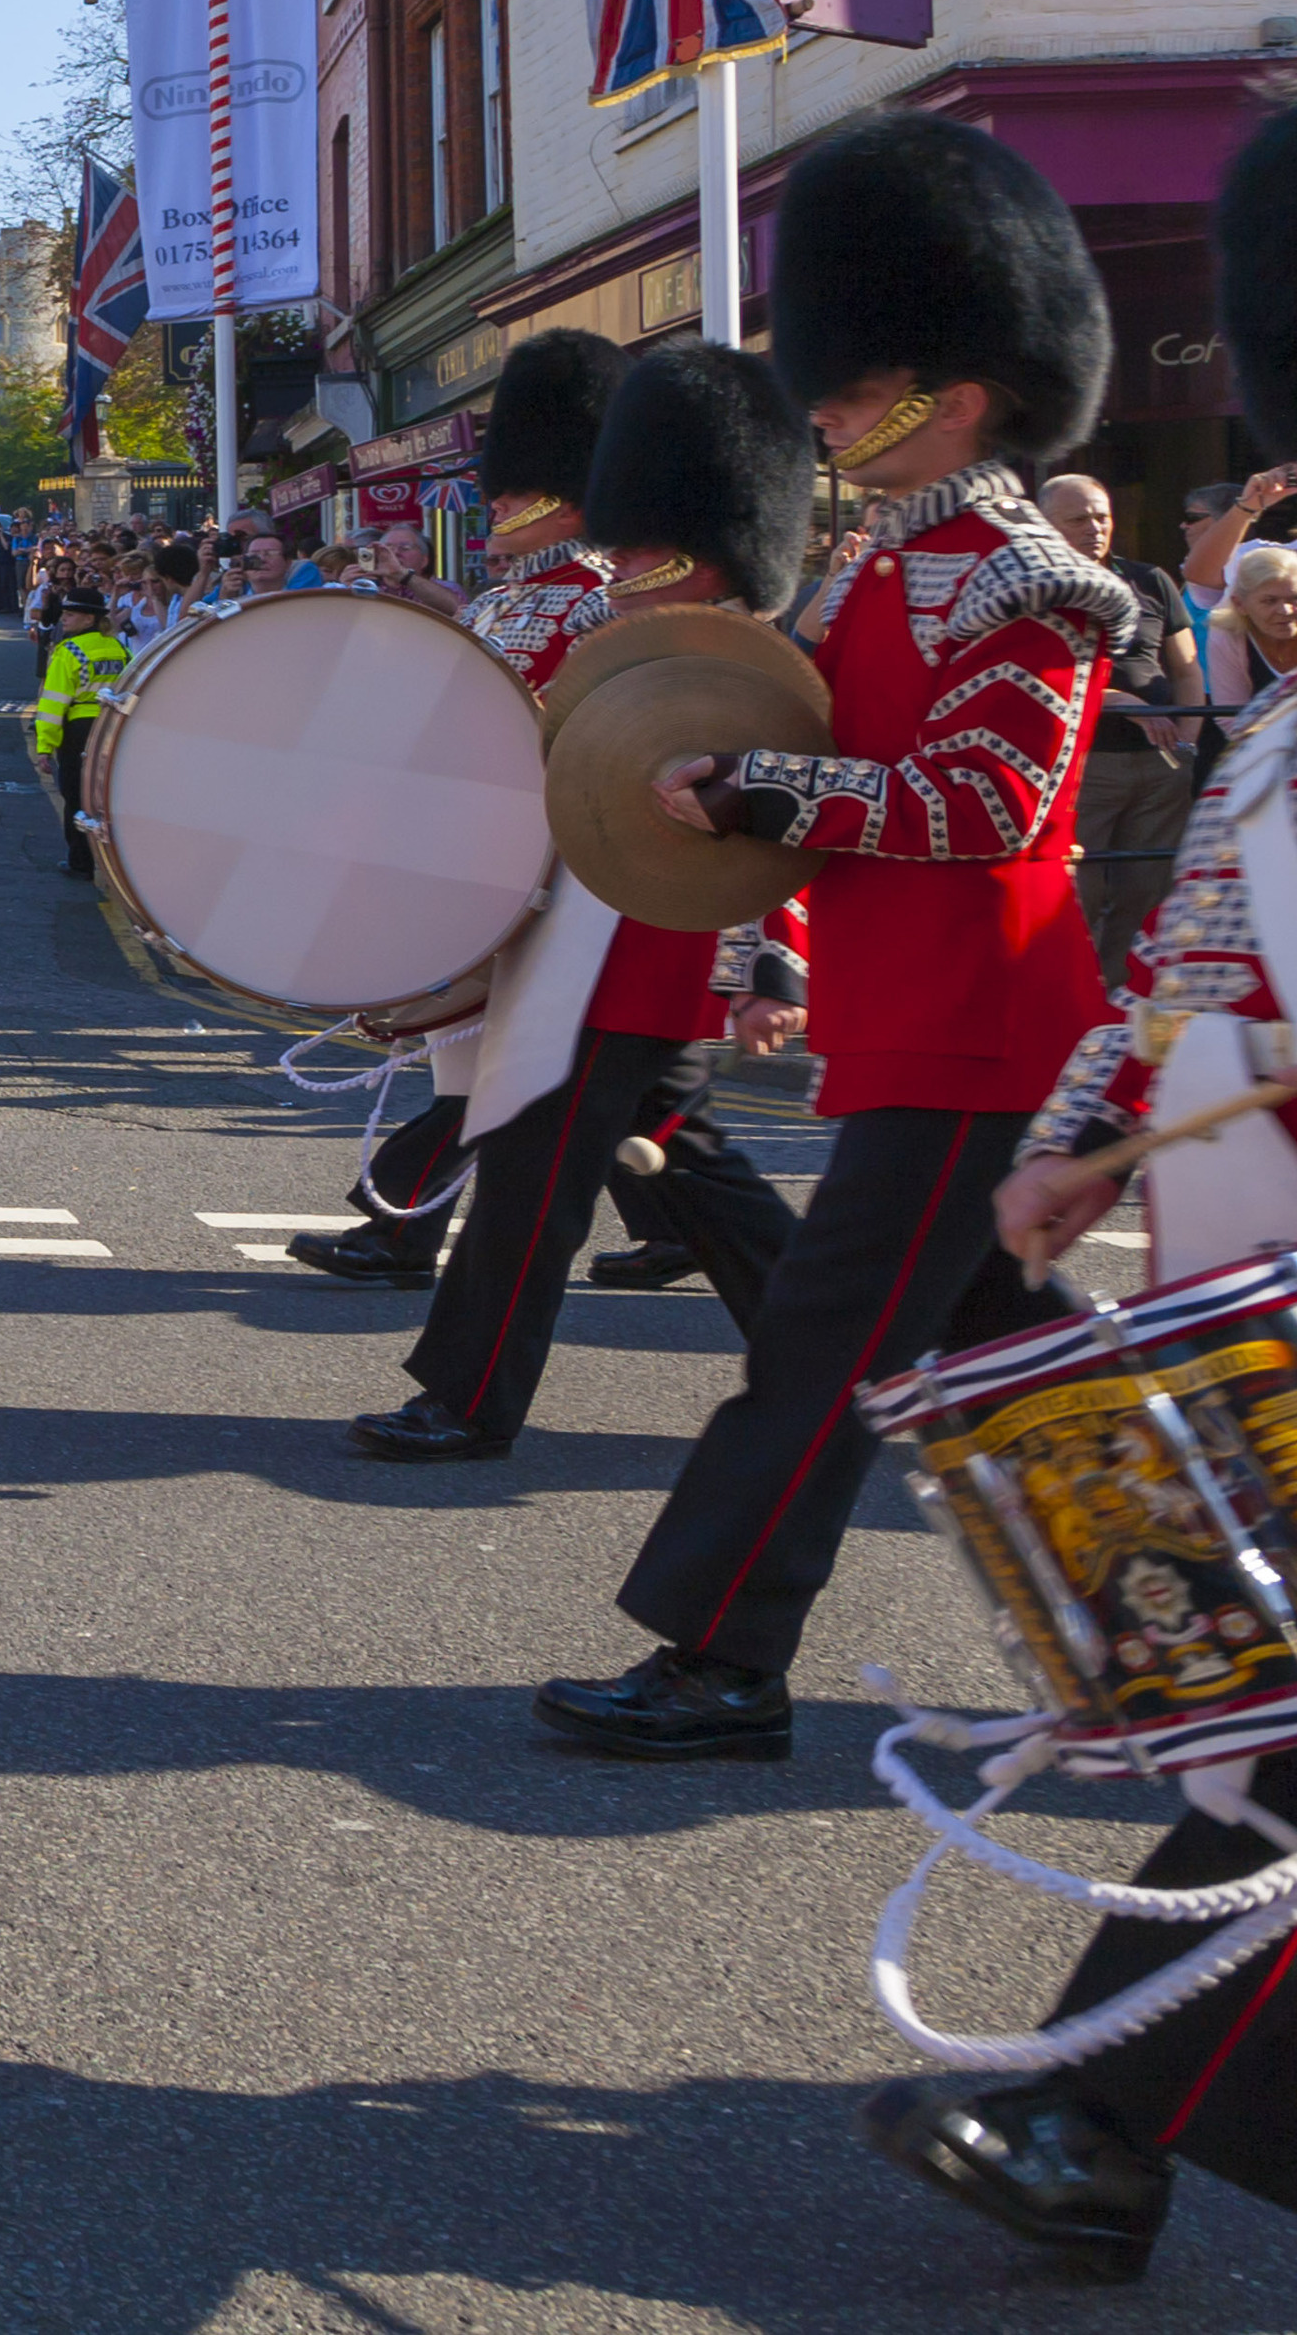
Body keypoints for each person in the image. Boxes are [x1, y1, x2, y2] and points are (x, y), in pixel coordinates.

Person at [540, 114, 1122, 1761]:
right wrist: (774, 930)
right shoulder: (900, 566)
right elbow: (851, 768)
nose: (832, 412)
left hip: (978, 1028)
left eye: (862, 390)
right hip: (917, 1015)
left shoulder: (1022, 577)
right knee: (1007, 1356)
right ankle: (1204, 1631)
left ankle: (725, 1659)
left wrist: (760, 791)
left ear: (966, 384)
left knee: (818, 1356)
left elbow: (987, 804)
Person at [901, 108, 1297, 2279]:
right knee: (1252, 1743)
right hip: (1236, 1272)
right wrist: (1073, 1135)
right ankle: (1096, 2122)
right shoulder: (1274, 727)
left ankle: (1093, 2117)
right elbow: (1188, 954)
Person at [344, 344, 810, 1462]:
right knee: (688, 1167)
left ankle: (468, 1397)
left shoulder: (718, 640)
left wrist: (768, 960)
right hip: (585, 928)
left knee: (531, 1172)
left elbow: (768, 801)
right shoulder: (609, 614)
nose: (637, 544)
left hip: (645, 942)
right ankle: (853, 1364)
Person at [290, 330, 630, 1288]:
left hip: (544, 864)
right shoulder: (496, 602)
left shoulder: (594, 607)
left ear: (566, 497)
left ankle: (399, 1222)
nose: (496, 504)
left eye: (516, 492)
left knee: (518, 1070)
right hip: (470, 851)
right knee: (485, 1058)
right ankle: (688, 1217)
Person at [1044, 469, 1203, 987]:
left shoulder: (1150, 580)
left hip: (1161, 766)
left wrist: (1187, 743)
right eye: (1079, 518)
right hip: (1083, 767)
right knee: (1076, 893)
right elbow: (1045, 677)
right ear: (1046, 525)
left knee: (1148, 890)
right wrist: (1122, 703)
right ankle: (1070, 998)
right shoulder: (1035, 592)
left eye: (1101, 517)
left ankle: (1119, 997)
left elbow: (1185, 668)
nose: (1095, 527)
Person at [29, 587, 132, 879]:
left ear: (89, 618)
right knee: (107, 796)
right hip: (111, 726)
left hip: (78, 728)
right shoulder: (119, 648)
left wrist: (44, 746)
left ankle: (80, 862)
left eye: (70, 614)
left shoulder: (69, 652)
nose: (64, 619)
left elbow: (52, 704)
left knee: (75, 797)